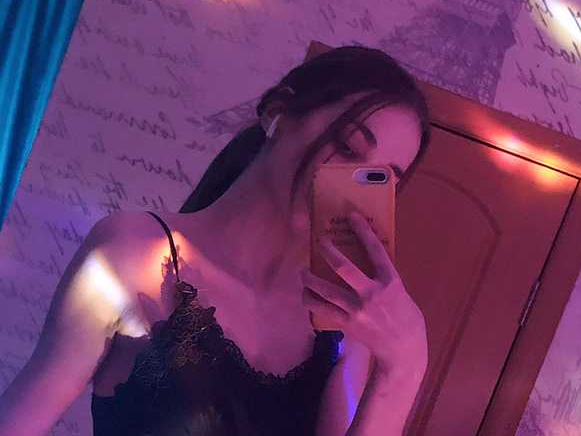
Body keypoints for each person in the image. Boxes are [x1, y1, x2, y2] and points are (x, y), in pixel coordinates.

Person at [0, 45, 432, 435]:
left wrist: (405, 369)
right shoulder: (132, 252)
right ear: (279, 114)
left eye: (379, 178)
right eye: (348, 146)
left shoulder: (341, 324)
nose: (352, 184)